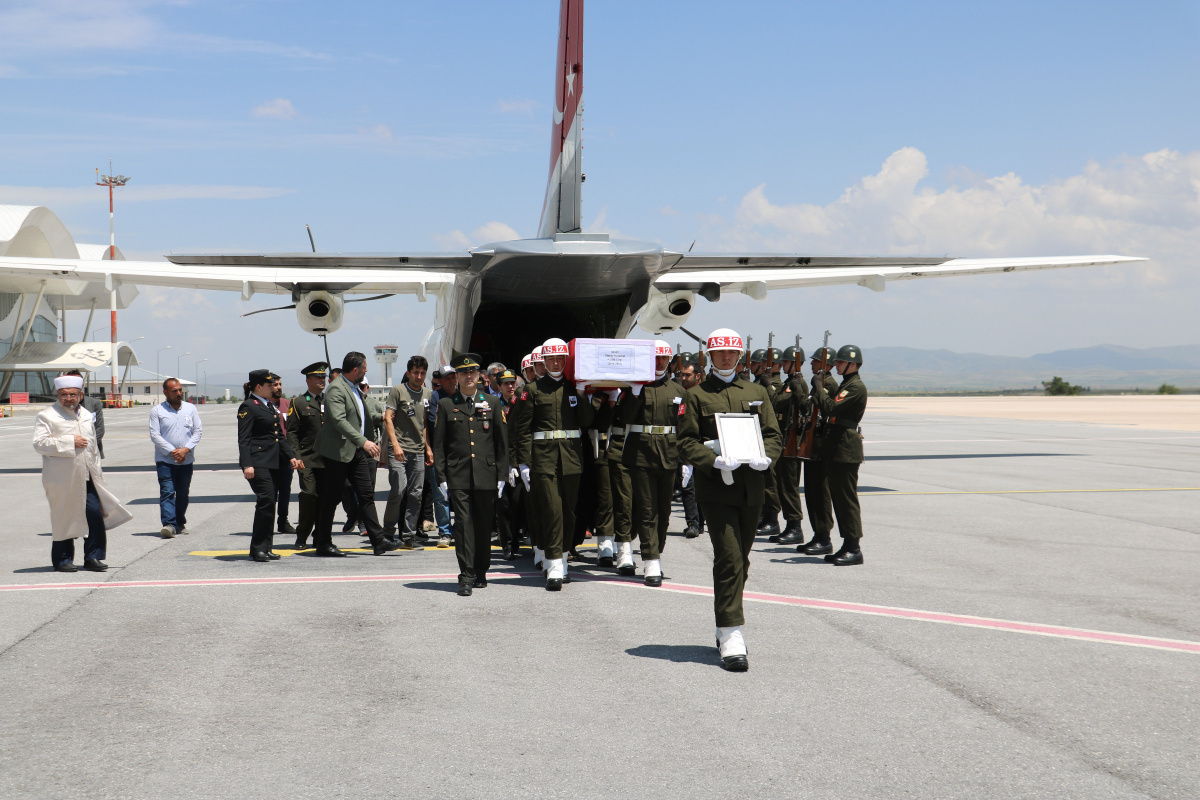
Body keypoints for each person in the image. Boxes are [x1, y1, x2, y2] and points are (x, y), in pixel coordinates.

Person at [677, 328, 782, 671]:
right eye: (719, 352)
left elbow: (772, 434)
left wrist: (767, 457)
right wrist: (712, 460)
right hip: (717, 489)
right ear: (710, 356)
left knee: (742, 560)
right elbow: (686, 441)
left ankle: (725, 625)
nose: (725, 357)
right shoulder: (697, 395)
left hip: (752, 486)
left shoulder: (756, 391)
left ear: (740, 357)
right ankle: (731, 632)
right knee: (729, 558)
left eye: (731, 353)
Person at [511, 337, 595, 590]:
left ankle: (564, 558)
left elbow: (587, 421)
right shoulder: (532, 390)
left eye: (560, 358)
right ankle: (554, 563)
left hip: (571, 458)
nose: (556, 362)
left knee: (569, 511)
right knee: (551, 510)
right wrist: (523, 463)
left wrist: (582, 394)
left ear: (566, 361)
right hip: (543, 460)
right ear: (544, 362)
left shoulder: (573, 389)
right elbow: (521, 429)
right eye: (551, 359)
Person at [33, 375, 132, 572]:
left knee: (94, 513)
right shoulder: (47, 415)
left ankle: (93, 557)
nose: (68, 398)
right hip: (62, 479)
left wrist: (98, 471)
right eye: (63, 395)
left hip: (88, 475)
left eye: (72, 394)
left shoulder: (87, 415)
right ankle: (62, 559)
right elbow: (39, 443)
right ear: (57, 395)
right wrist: (69, 442)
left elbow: (93, 446)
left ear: (80, 394)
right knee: (64, 516)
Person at [433, 354, 509, 596]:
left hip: (486, 474)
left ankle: (481, 570)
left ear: (479, 376)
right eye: (463, 373)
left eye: (472, 373)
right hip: (458, 475)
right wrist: (441, 477)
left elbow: (501, 443)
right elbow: (440, 444)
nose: (468, 377)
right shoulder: (446, 405)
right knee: (464, 525)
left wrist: (502, 475)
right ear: (457, 377)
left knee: (484, 525)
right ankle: (465, 575)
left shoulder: (492, 403)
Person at [310, 353, 400, 557]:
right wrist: (364, 442)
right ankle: (323, 542)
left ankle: (378, 541)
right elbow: (340, 421)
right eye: (365, 367)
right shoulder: (335, 389)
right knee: (332, 498)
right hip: (337, 452)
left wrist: (382, 418)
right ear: (355, 370)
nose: (367, 370)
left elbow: (360, 416)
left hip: (356, 451)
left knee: (366, 495)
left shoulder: (353, 388)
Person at [618, 340, 685, 587]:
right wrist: (634, 393)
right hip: (641, 451)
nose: (659, 363)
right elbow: (623, 418)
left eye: (663, 359)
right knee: (647, 509)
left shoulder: (678, 390)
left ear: (669, 361)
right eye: (655, 358)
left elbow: (685, 426)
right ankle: (650, 560)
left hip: (668, 453)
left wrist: (686, 460)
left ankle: (656, 550)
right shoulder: (635, 388)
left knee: (664, 512)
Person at [238, 370, 304, 562]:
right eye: (270, 385)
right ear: (259, 387)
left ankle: (266, 547)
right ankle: (258, 547)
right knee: (266, 501)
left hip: (273, 462)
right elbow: (244, 439)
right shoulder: (249, 406)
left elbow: (279, 436)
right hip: (258, 463)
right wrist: (247, 465)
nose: (274, 388)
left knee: (269, 504)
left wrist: (290, 456)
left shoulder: (268, 406)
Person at [811, 344, 868, 566]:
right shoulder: (846, 384)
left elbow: (830, 408)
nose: (836, 366)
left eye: (840, 363)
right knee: (838, 498)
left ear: (852, 364)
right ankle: (847, 545)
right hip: (836, 448)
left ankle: (854, 547)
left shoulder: (854, 387)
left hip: (845, 449)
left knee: (846, 500)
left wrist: (819, 388)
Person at [383, 355, 433, 549]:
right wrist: (395, 445)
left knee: (416, 494)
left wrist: (427, 447)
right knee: (398, 490)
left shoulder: (428, 394)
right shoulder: (398, 391)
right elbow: (388, 419)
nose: (419, 376)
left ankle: (408, 535)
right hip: (400, 450)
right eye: (415, 373)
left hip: (418, 451)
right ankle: (387, 533)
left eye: (422, 373)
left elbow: (425, 424)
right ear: (408, 373)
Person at [148, 377, 203, 539]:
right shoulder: (157, 411)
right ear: (165, 392)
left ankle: (179, 521)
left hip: (186, 460)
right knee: (167, 492)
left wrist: (185, 450)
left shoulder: (190, 409)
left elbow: (197, 431)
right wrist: (173, 451)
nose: (179, 393)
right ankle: (169, 524)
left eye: (180, 390)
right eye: (174, 391)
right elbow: (155, 435)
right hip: (165, 460)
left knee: (183, 493)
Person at [798, 347, 838, 556]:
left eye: (815, 362)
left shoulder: (829, 384)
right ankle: (817, 534)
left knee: (821, 494)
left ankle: (824, 537)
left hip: (822, 447)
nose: (811, 365)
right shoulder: (819, 384)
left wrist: (819, 387)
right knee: (812, 493)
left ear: (827, 365)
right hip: (812, 444)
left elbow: (827, 408)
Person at [286, 362, 328, 549]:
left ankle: (320, 534)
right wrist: (296, 455)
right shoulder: (298, 402)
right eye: (318, 377)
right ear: (308, 380)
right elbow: (292, 432)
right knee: (309, 495)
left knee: (325, 498)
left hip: (327, 459)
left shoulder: (330, 401)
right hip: (307, 459)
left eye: (324, 377)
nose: (322, 380)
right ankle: (302, 534)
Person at [772, 345, 808, 545]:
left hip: (793, 441)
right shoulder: (789, 382)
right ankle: (790, 525)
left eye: (786, 362)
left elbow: (778, 402)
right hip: (785, 439)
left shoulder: (798, 384)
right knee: (784, 486)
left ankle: (795, 527)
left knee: (790, 487)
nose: (783, 365)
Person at [425, 365, 457, 547]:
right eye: (447, 378)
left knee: (460, 495)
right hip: (440, 454)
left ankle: (459, 529)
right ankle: (445, 532)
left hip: (460, 454)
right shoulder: (435, 397)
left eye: (454, 377)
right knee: (440, 496)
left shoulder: (463, 396)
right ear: (441, 381)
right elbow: (432, 423)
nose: (452, 381)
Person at [675, 354, 704, 539]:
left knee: (701, 487)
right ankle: (693, 523)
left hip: (702, 446)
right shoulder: (680, 394)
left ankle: (700, 521)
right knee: (688, 485)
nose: (684, 378)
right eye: (682, 375)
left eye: (688, 375)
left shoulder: (704, 395)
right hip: (685, 447)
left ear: (698, 376)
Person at [495, 369, 524, 559]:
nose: (510, 386)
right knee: (503, 505)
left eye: (512, 383)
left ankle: (517, 539)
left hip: (519, 461)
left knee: (518, 503)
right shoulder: (493, 405)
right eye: (506, 383)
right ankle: (506, 545)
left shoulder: (521, 403)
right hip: (500, 463)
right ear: (499, 386)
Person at [269, 373, 296, 535]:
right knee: (269, 493)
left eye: (280, 384)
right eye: (275, 384)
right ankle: (267, 522)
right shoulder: (261, 405)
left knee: (285, 491)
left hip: (285, 457)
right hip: (268, 457)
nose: (279, 387)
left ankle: (283, 522)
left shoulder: (288, 405)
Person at [63, 370, 105, 461]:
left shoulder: (94, 403)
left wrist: (85, 444)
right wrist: (72, 443)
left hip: (92, 451)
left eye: (78, 382)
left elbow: (100, 429)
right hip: (69, 452)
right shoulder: (61, 406)